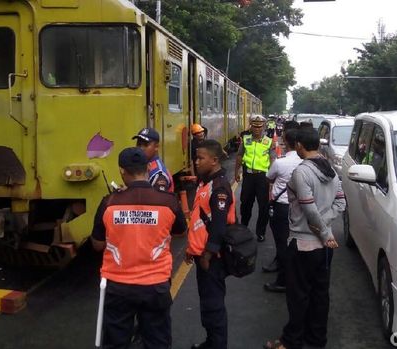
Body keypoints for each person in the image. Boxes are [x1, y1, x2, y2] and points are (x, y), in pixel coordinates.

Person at [90, 147, 187, 349]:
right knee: (157, 341)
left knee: (116, 341)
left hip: (118, 285)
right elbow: (179, 232)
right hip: (156, 285)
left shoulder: (109, 202)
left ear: (122, 171)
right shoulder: (168, 201)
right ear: (147, 168)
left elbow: (98, 244)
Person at [264, 128, 346, 349]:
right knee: (320, 295)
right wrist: (326, 230)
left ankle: (291, 342)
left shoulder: (302, 172)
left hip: (303, 243)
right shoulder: (330, 170)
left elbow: (309, 210)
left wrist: (325, 233)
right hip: (325, 249)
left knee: (298, 295)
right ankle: (317, 339)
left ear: (299, 145)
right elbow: (340, 203)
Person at [185, 140, 236, 349]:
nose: (196, 162)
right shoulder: (205, 182)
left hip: (212, 258)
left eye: (201, 158)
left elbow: (218, 224)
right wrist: (191, 249)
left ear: (214, 160)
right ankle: (212, 342)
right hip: (201, 253)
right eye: (196, 158)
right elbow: (199, 218)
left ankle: (217, 345)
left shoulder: (219, 187)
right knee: (207, 303)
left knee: (213, 305)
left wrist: (208, 253)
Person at [262, 128, 302, 293]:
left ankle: (283, 281)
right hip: (300, 207)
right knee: (294, 242)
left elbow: (269, 177)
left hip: (282, 207)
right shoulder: (304, 161)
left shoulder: (280, 162)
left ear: (286, 142)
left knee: (282, 244)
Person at [234, 115, 275, 242]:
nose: (257, 129)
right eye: (254, 126)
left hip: (263, 177)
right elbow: (240, 155)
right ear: (251, 126)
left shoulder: (269, 141)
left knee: (264, 206)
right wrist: (237, 170)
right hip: (248, 176)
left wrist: (272, 178)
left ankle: (260, 232)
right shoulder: (246, 140)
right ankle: (244, 228)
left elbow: (273, 159)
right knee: (245, 203)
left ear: (263, 127)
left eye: (260, 126)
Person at [133, 127, 175, 193]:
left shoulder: (158, 174)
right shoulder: (145, 165)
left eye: (145, 145)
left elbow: (158, 201)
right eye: (139, 144)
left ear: (156, 147)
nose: (141, 148)